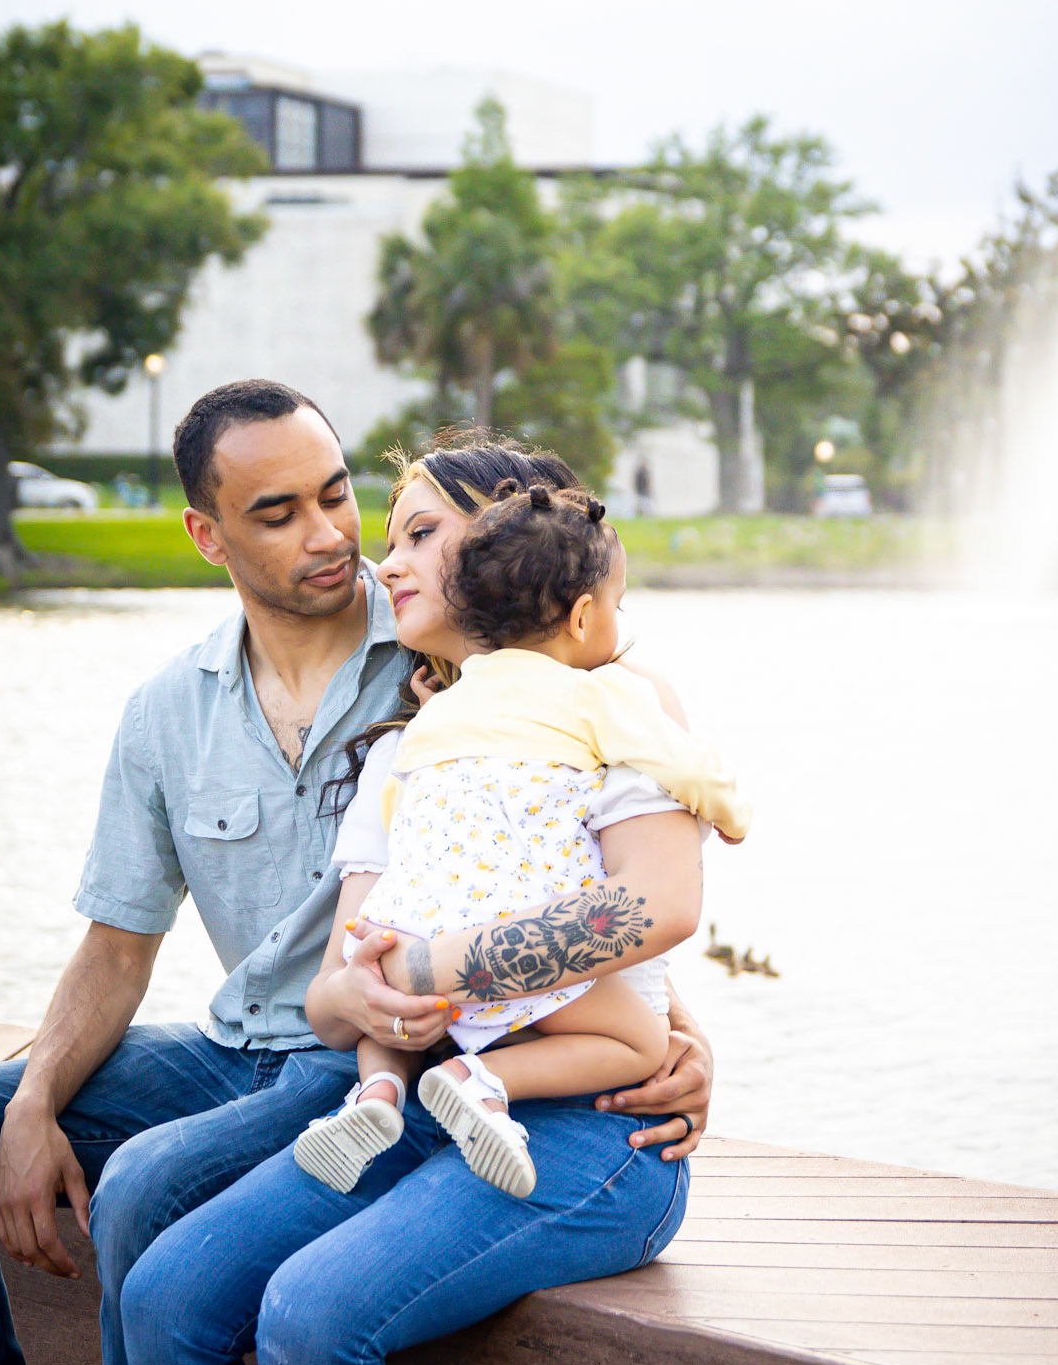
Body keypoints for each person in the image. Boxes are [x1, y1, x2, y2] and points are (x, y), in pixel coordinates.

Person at [0, 392, 717, 1365]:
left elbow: (649, 901)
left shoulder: (565, 679)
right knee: (29, 1202)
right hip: (350, 1064)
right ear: (208, 533)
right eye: (293, 512)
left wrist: (670, 1031)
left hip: (489, 1091)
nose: (354, 545)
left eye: (363, 507)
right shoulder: (338, 723)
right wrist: (36, 1096)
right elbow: (171, 952)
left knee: (219, 1247)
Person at [295, 479, 749, 1199]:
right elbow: (683, 764)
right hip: (511, 929)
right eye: (617, 608)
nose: (391, 565)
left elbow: (404, 804)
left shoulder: (432, 719)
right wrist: (729, 813)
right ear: (581, 616)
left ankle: (376, 1093)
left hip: (404, 927)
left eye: (420, 534)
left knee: (390, 1018)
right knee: (641, 1041)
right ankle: (477, 1080)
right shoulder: (595, 697)